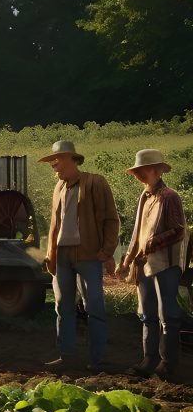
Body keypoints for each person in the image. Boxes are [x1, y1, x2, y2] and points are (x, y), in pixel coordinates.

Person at [40, 139, 119, 371]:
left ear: (71, 159)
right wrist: (50, 255)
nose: (53, 164)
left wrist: (107, 250)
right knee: (63, 306)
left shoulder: (95, 182)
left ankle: (97, 359)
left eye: (57, 159)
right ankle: (66, 356)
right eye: (51, 160)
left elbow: (111, 219)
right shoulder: (58, 188)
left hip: (88, 255)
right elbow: (55, 224)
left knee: (93, 306)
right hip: (62, 255)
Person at [118, 149, 188, 378]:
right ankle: (149, 360)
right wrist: (128, 259)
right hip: (144, 263)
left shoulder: (170, 196)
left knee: (167, 314)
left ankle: (168, 364)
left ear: (157, 171)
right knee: (147, 314)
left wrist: (153, 242)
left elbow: (179, 231)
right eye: (137, 171)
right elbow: (137, 232)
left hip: (165, 264)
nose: (139, 175)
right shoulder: (145, 197)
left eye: (143, 170)